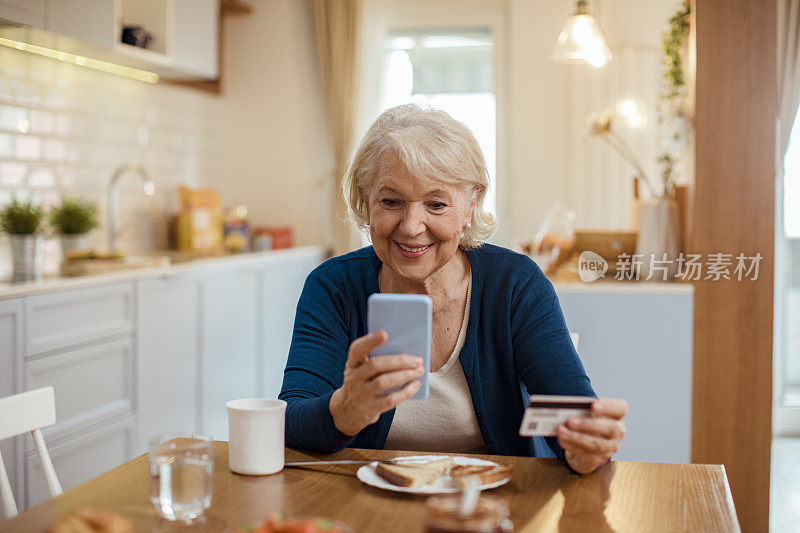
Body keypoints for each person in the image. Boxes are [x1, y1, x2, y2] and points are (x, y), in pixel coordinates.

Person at [279, 104, 627, 474]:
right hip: (368, 506)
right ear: (366, 202)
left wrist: (588, 447)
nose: (412, 226)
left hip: (494, 507)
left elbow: (573, 415)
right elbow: (289, 421)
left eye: (436, 203)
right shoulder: (333, 286)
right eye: (391, 201)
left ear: (470, 206)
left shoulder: (515, 284)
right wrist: (342, 411)